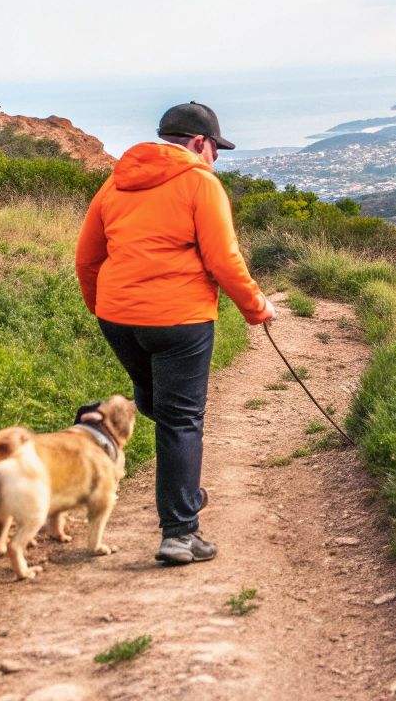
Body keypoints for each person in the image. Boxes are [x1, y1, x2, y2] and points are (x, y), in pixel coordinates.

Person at [75, 101, 274, 565]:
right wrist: (256, 308)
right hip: (179, 319)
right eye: (215, 148)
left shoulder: (115, 182)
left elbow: (87, 258)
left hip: (119, 316)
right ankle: (180, 533)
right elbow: (224, 260)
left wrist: (104, 308)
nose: (217, 158)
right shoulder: (201, 182)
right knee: (181, 419)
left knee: (160, 407)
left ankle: (181, 491)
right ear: (200, 143)